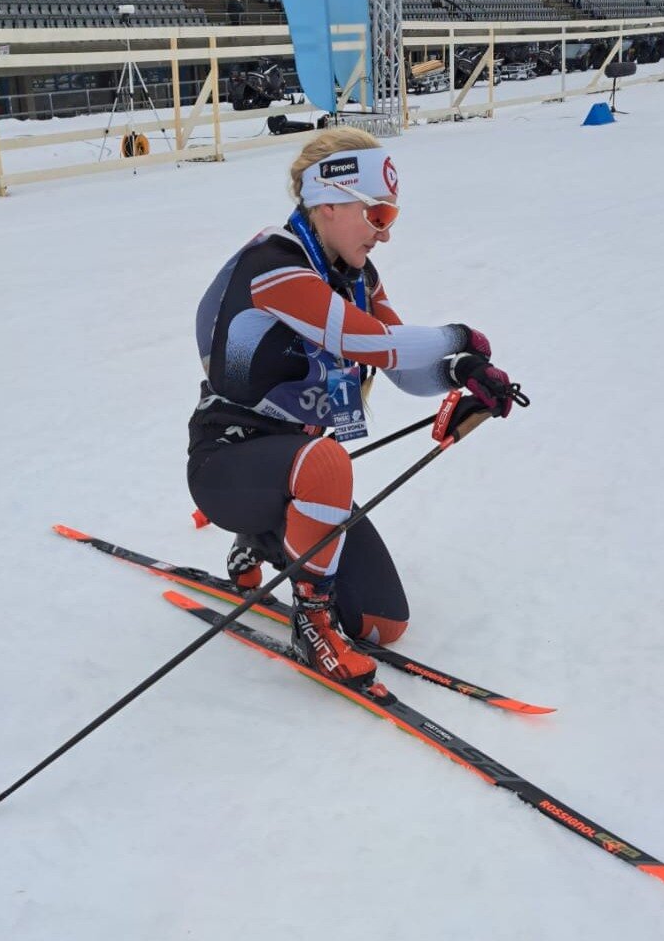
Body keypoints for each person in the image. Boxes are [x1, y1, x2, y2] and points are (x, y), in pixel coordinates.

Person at [186, 128, 515, 685]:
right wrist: (462, 335)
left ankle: (265, 542)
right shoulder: (273, 264)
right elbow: (359, 340)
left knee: (384, 624)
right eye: (378, 215)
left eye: (391, 218)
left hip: (295, 469)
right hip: (227, 466)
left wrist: (462, 374)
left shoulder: (358, 277)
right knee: (326, 461)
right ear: (329, 202)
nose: (385, 235)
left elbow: (401, 365)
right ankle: (312, 627)